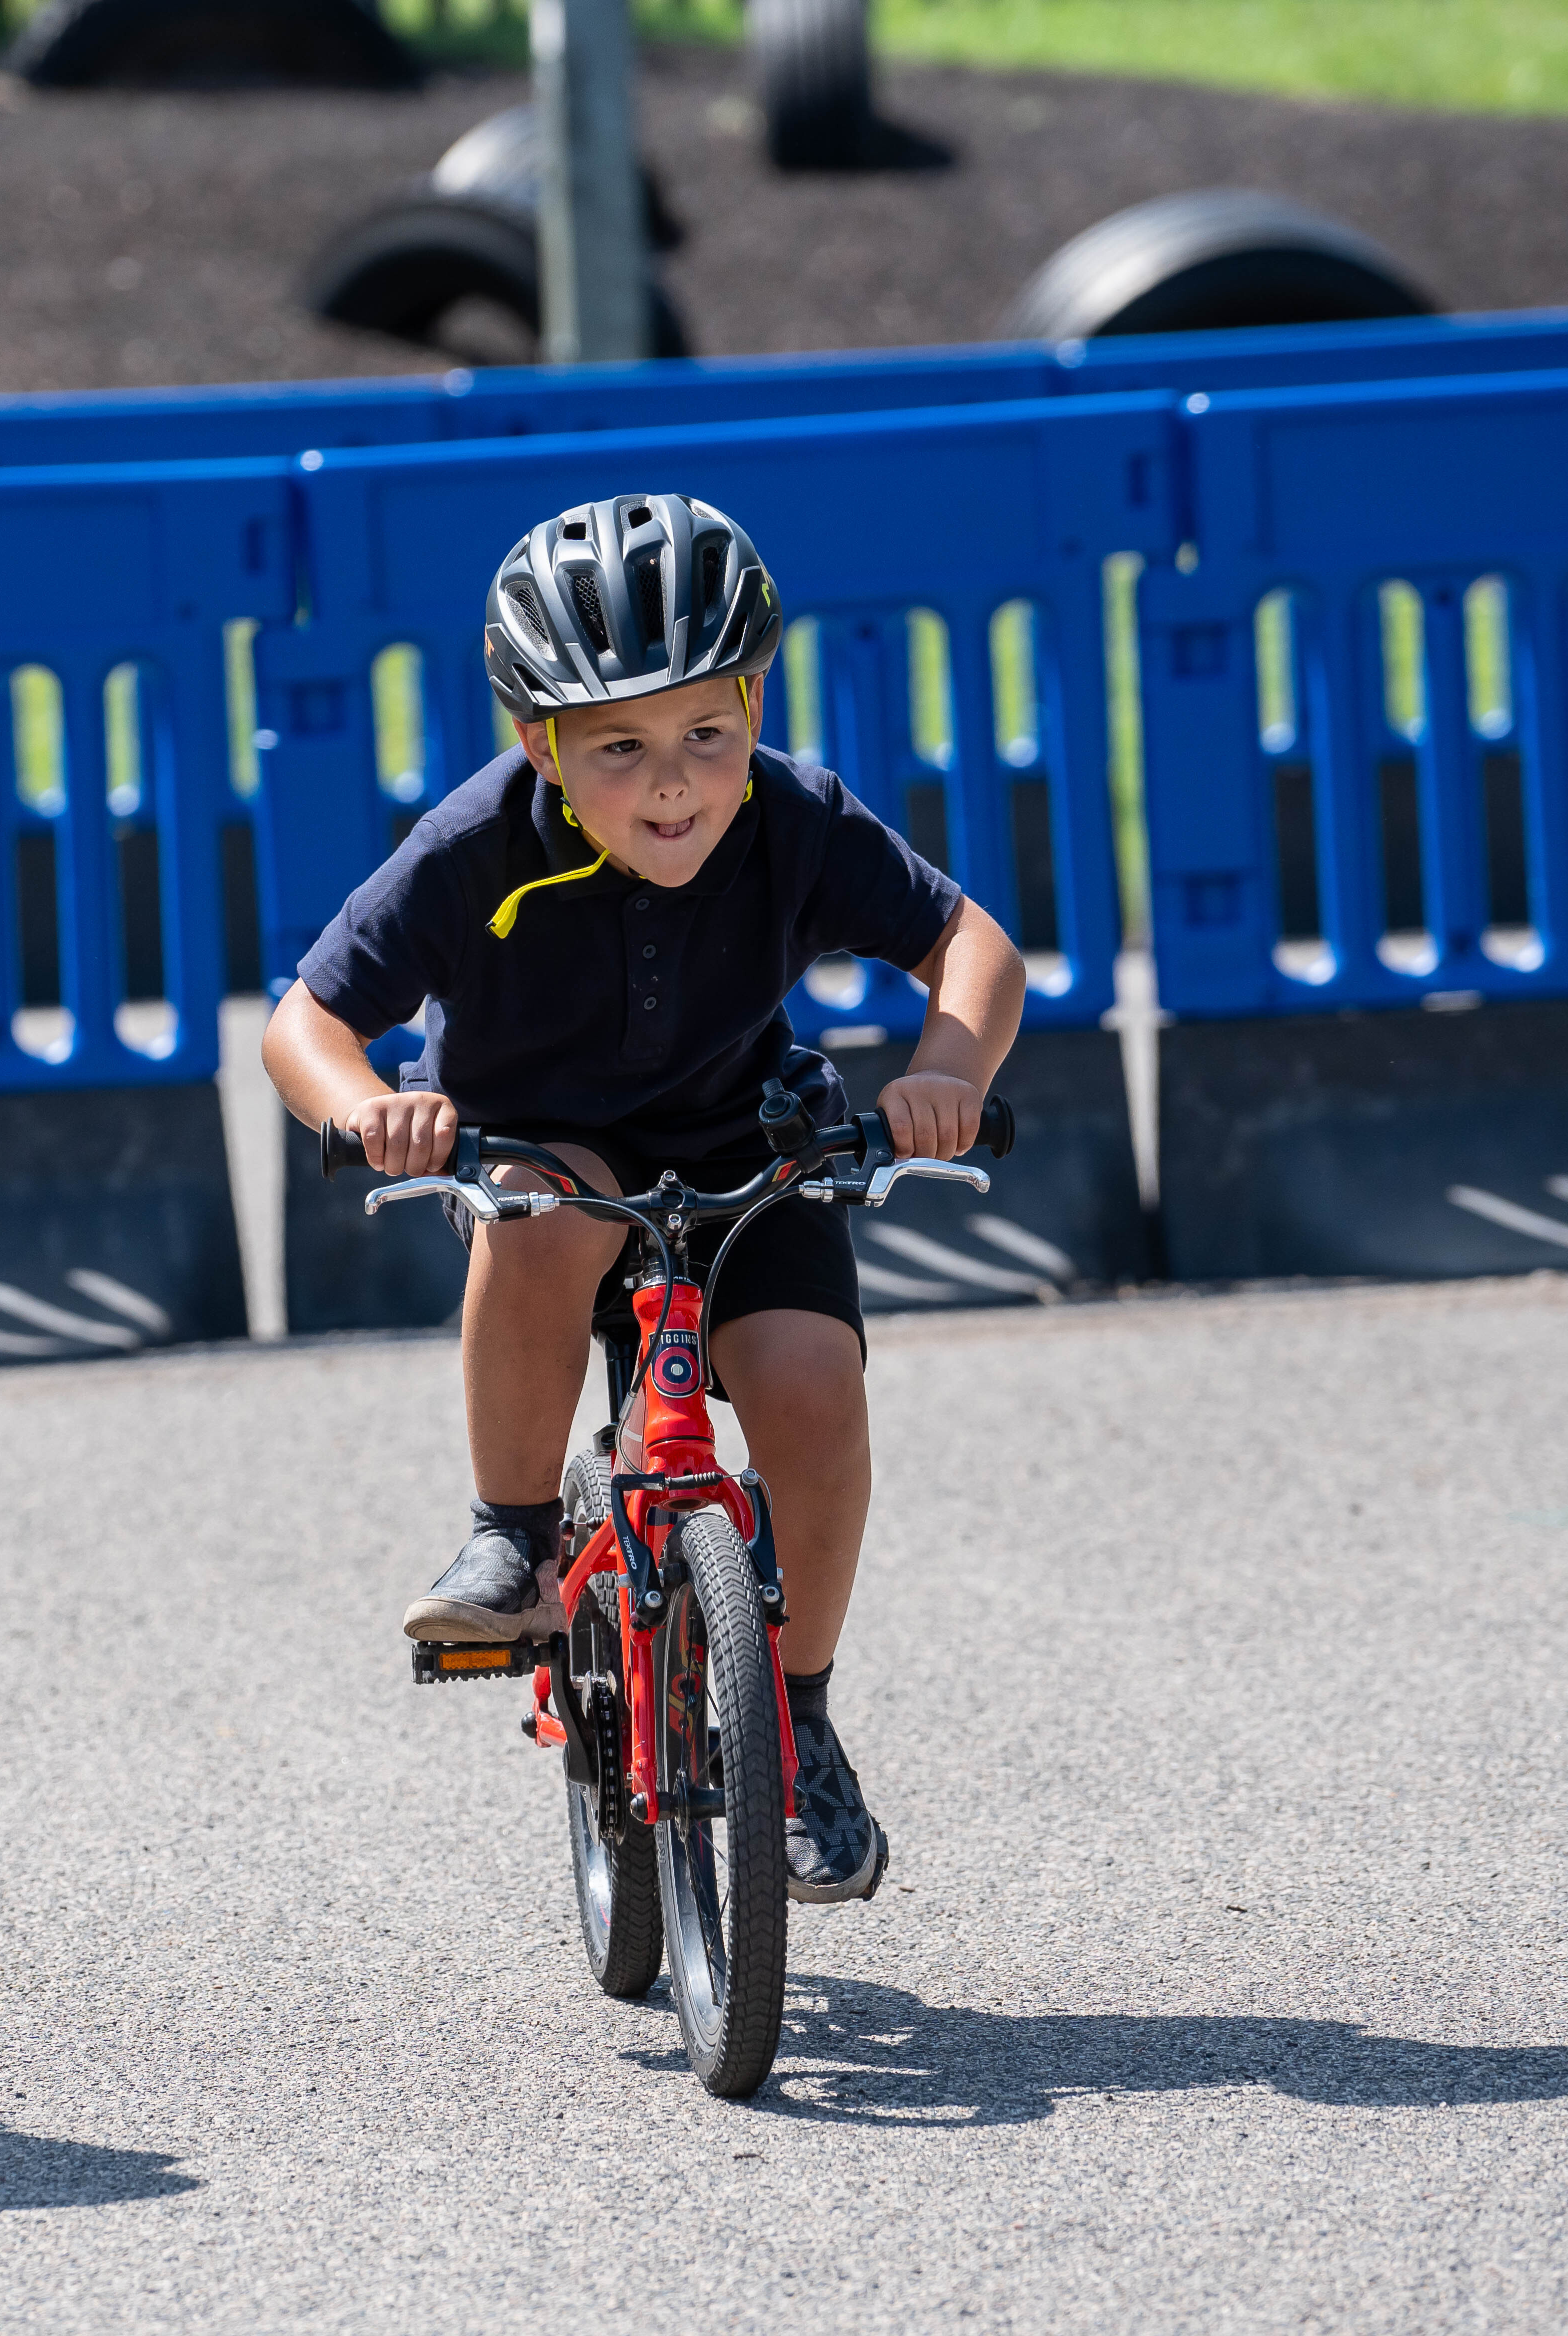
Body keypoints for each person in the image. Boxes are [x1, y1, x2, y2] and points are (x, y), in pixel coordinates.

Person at [262, 492, 1023, 1904]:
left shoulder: (792, 820)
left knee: (808, 1384)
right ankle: (513, 1530)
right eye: (620, 749)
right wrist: (369, 1109)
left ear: (752, 710)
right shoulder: (472, 847)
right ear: (539, 742)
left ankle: (796, 1717)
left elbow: (968, 944)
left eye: (707, 737)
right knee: (554, 1209)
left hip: (744, 1143)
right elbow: (304, 1021)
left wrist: (947, 1072)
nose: (673, 784)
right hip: (541, 1152)